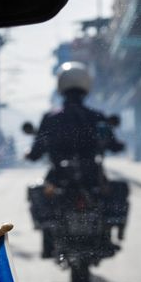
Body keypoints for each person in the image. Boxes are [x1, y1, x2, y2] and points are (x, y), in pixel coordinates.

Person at [26, 62, 125, 256]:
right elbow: (113, 144)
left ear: (61, 85)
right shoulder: (96, 116)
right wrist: (116, 145)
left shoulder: (50, 118)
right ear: (86, 85)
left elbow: (37, 150)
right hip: (92, 175)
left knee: (39, 193)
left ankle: (48, 237)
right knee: (117, 192)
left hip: (59, 175)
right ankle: (110, 233)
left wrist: (31, 154)